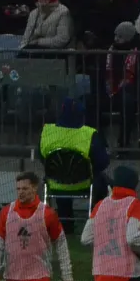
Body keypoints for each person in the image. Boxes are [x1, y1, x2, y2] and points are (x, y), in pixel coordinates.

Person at [39, 97, 110, 233]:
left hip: (55, 184)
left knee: (61, 176)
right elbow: (103, 162)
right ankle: (97, 222)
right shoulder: (90, 134)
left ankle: (66, 225)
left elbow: (42, 158)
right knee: (103, 180)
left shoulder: (47, 132)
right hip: (84, 184)